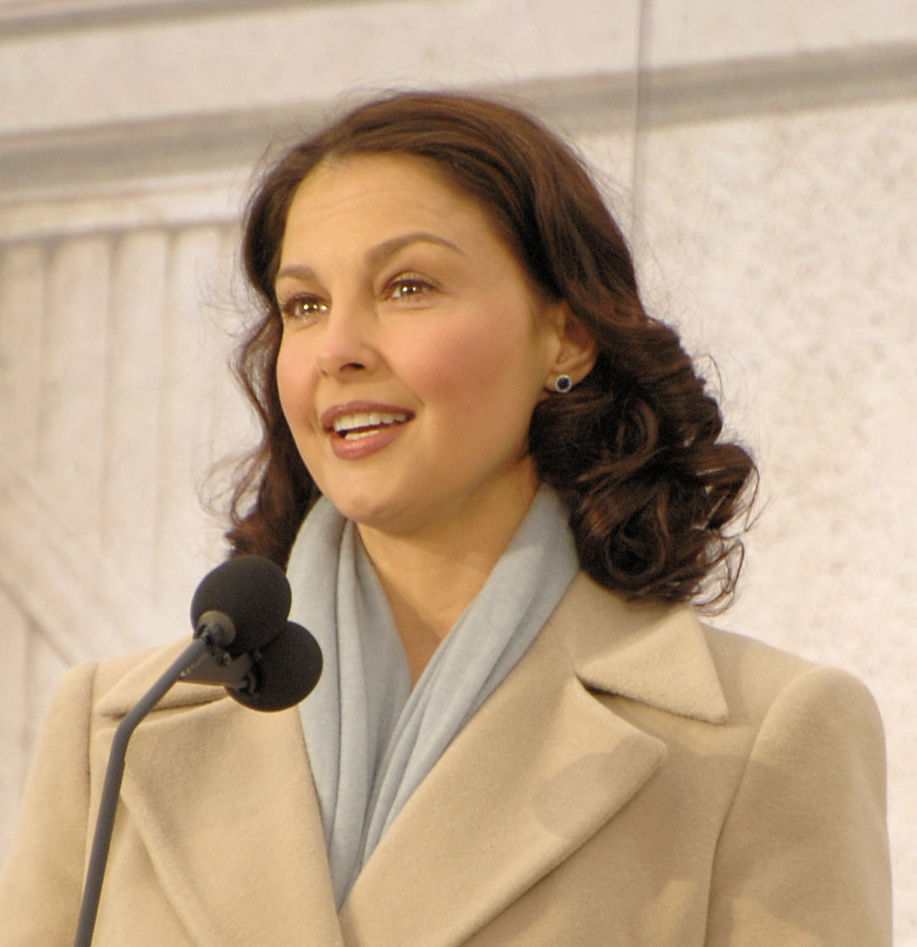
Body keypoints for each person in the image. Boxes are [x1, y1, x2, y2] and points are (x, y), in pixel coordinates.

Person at [0, 91, 890, 946]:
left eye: (408, 286)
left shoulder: (765, 738)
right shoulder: (118, 728)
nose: (338, 348)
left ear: (566, 336)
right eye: (305, 304)